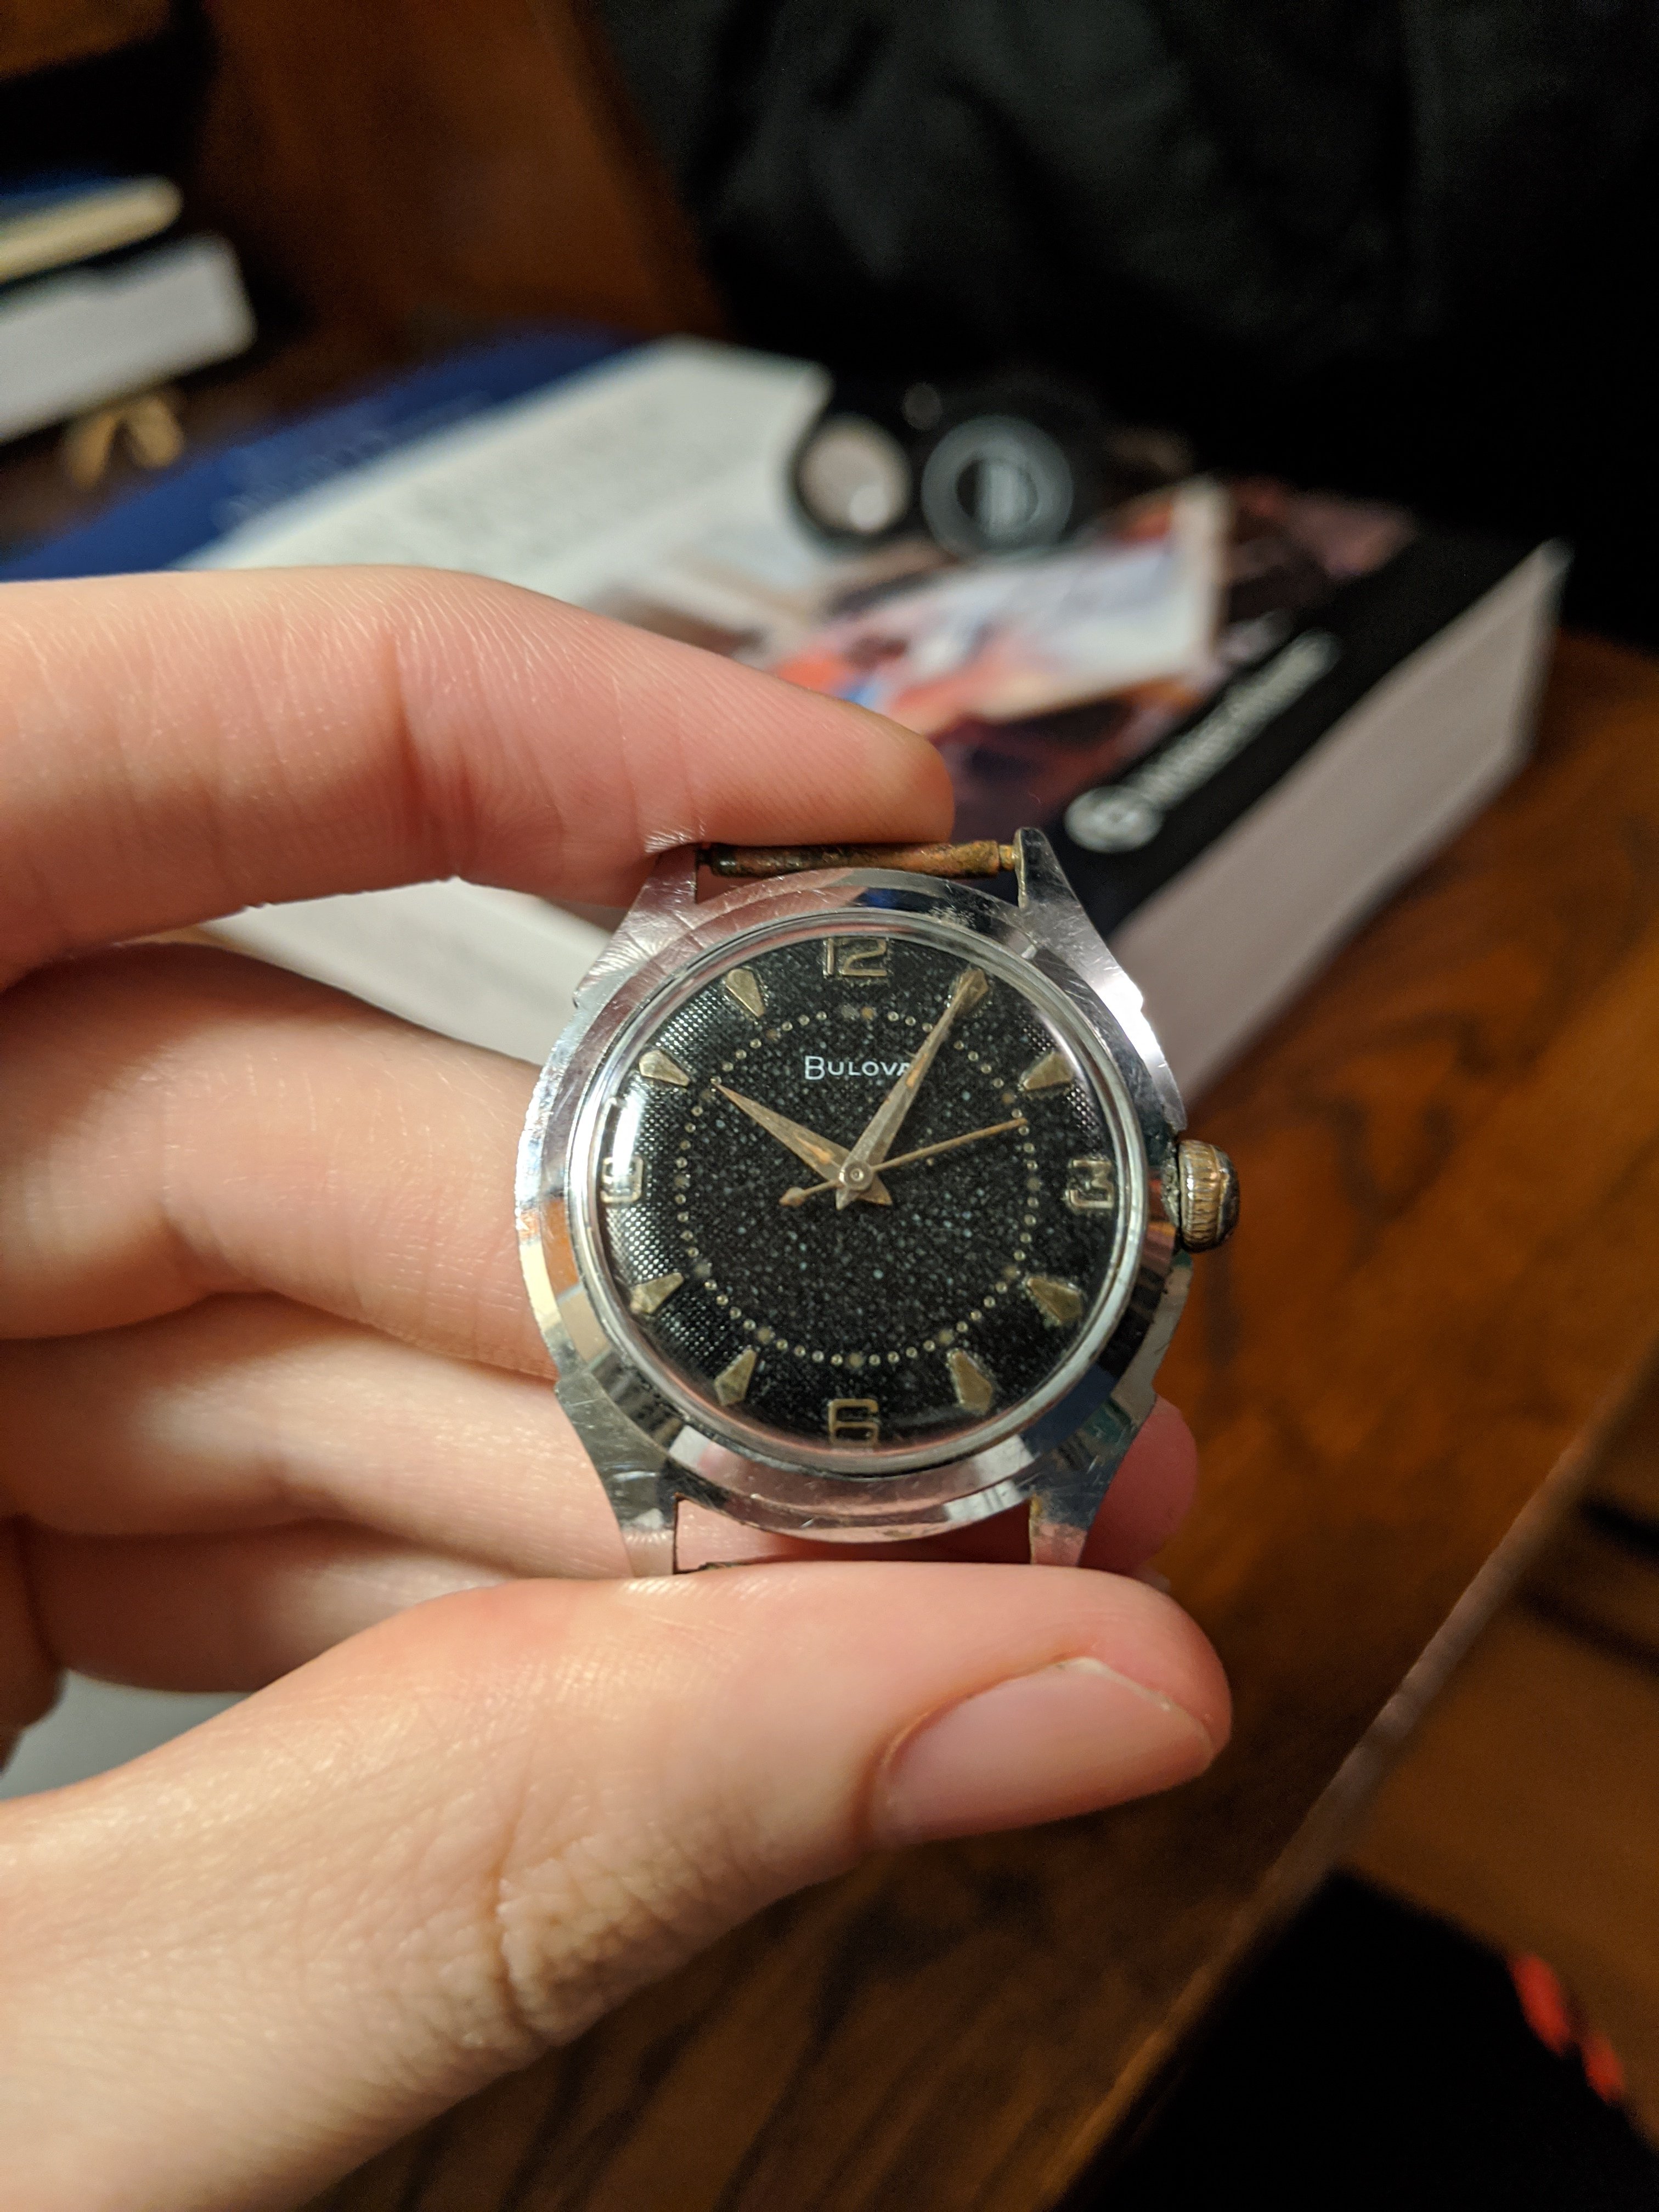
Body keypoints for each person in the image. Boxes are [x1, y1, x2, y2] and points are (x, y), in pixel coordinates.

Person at [0, 568, 1227, 2207]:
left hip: (1007, 1405)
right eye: (842, 1169)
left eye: (867, 1169)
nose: (855, 1183)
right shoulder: (705, 1039)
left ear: (1174, 1199)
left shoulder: (1032, 1021)